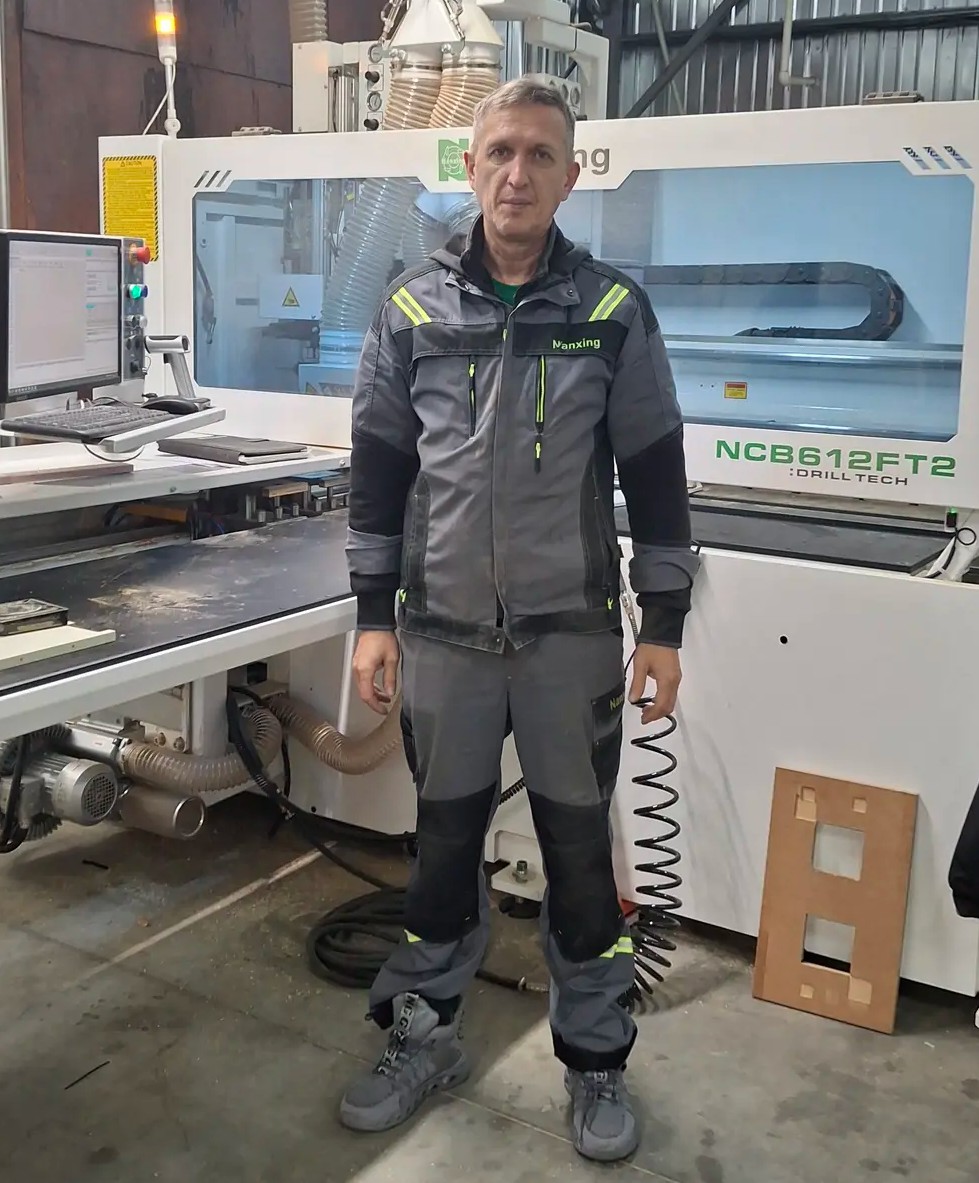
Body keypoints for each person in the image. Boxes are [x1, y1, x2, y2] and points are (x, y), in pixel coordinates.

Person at [340, 77, 699, 1162]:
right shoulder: (411, 310)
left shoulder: (610, 312)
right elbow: (378, 469)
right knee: (442, 854)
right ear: (469, 166)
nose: (516, 173)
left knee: (580, 864)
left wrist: (664, 624)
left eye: (540, 154)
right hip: (442, 637)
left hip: (567, 641)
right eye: (499, 151)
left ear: (570, 175)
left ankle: (593, 1060)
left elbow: (657, 472)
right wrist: (372, 615)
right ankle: (423, 1035)